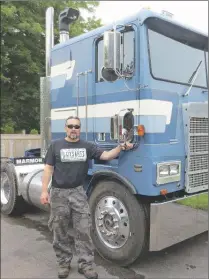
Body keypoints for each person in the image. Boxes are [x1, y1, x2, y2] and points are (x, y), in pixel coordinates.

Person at [40, 116, 133, 279]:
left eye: (77, 126)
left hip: (78, 193)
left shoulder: (87, 146)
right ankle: (63, 263)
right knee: (59, 229)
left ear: (80, 129)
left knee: (83, 229)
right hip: (58, 193)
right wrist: (43, 191)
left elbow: (106, 155)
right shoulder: (55, 145)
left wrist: (121, 147)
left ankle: (86, 265)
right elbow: (48, 169)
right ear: (65, 128)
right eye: (70, 126)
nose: (73, 129)